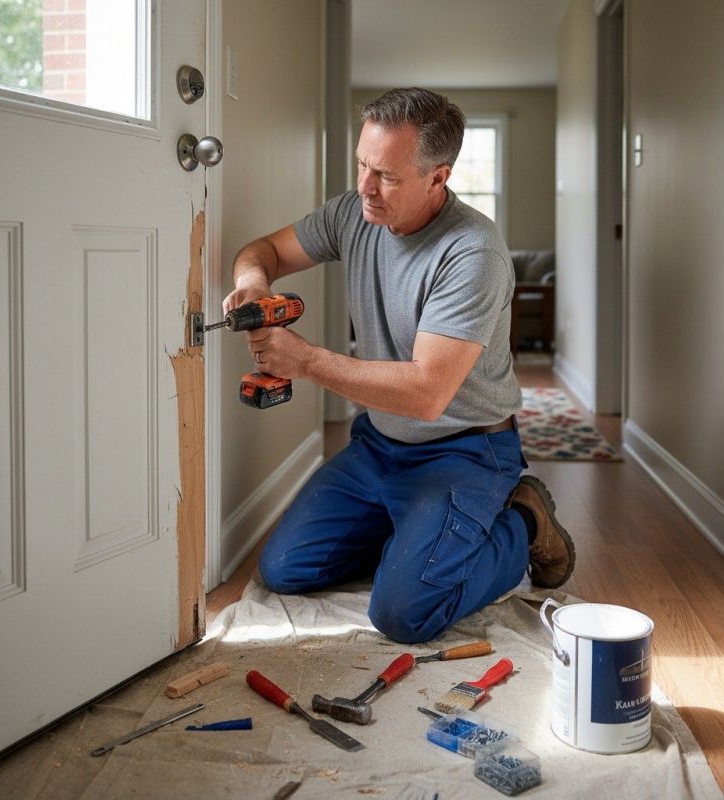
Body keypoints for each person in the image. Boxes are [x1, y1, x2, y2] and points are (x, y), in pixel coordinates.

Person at [223, 87, 574, 644]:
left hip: (463, 449)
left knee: (404, 614)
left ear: (438, 177)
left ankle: (524, 521)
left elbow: (427, 394)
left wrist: (306, 360)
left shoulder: (472, 252)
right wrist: (253, 282)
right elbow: (262, 248)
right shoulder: (355, 211)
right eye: (362, 163)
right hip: (380, 443)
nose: (364, 186)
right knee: (286, 569)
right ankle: (418, 531)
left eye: (385, 175)